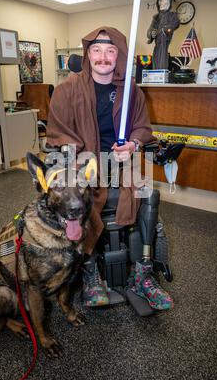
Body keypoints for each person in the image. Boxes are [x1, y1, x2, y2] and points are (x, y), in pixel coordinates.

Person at [46, 26, 173, 309]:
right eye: (97, 50)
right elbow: (57, 133)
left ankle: (142, 274)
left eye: (110, 50)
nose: (103, 57)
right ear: (88, 54)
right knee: (82, 199)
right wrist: (78, 156)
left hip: (120, 162)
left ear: (119, 55)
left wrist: (133, 145)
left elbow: (142, 128)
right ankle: (91, 274)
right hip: (84, 164)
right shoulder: (67, 91)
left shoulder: (131, 91)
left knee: (147, 195)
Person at [147, 0, 180, 69]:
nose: (161, 3)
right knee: (156, 59)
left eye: (164, 1)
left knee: (162, 59)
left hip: (164, 42)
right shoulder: (156, 17)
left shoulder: (173, 15)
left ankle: (160, 75)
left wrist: (164, 29)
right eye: (160, 1)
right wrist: (152, 33)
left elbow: (175, 24)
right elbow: (149, 30)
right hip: (157, 43)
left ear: (168, 4)